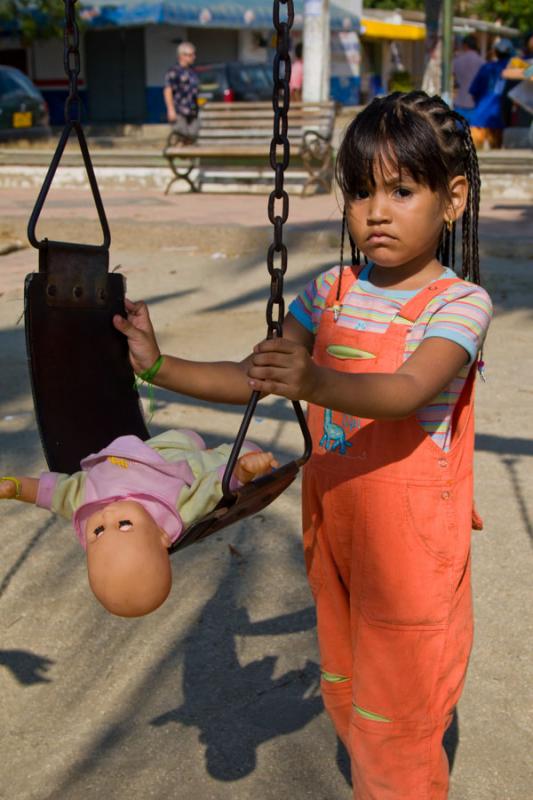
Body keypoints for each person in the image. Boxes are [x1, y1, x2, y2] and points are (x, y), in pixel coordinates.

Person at [112, 91, 492, 798]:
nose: (374, 211)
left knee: (397, 727)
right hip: (335, 532)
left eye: (400, 190)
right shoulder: (329, 293)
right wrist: (159, 365)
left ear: (452, 198)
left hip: (409, 553)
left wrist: (314, 378)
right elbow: (254, 378)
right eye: (358, 191)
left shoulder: (458, 304)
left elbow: (407, 390)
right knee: (347, 698)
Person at [0, 430, 277, 618]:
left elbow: (48, 493)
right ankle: (222, 452)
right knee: (236, 453)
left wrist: (14, 488)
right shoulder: (173, 513)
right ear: (161, 536)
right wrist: (242, 472)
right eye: (124, 525)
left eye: (98, 532)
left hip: (137, 448)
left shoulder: (82, 502)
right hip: (179, 462)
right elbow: (213, 489)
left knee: (184, 438)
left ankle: (198, 443)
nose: (107, 517)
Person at [469, 37, 514, 149]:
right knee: (499, 159)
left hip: (479, 119)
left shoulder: (486, 67)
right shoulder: (514, 69)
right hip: (500, 120)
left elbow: (473, 91)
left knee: (475, 159)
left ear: (496, 52)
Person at [163, 41, 200, 144]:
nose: (194, 57)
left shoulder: (193, 72)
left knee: (192, 136)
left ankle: (184, 154)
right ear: (182, 56)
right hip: (179, 111)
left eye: (194, 54)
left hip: (193, 111)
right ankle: (176, 151)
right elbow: (168, 90)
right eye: (191, 55)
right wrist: (170, 110)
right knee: (181, 135)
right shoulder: (173, 72)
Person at [452, 34, 485, 119]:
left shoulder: (457, 61)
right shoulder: (482, 62)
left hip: (459, 103)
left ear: (465, 45)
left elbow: (453, 77)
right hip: (476, 104)